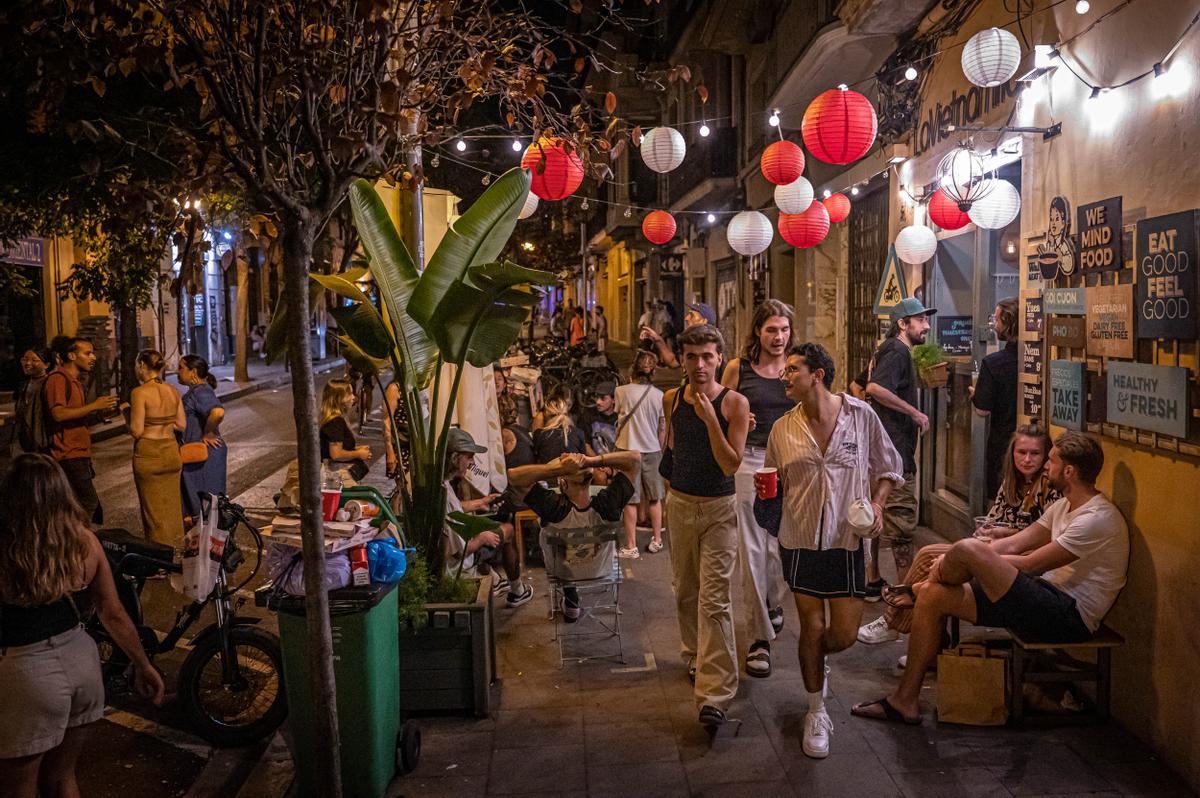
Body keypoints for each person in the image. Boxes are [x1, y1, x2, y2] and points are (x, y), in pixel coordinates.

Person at [853, 431, 1129, 725]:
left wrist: (970, 559)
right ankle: (904, 701)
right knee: (936, 594)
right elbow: (1014, 544)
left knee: (966, 550)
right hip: (1041, 594)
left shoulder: (1096, 519)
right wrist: (966, 559)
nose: (1046, 466)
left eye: (1050, 460)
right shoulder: (1065, 505)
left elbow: (1030, 564)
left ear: (1069, 471)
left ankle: (918, 587)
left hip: (1068, 615)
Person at [754, 343, 901, 757]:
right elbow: (773, 480)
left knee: (843, 634)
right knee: (812, 627)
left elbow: (889, 466)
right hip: (799, 540)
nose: (784, 376)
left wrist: (877, 504)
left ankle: (816, 661)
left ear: (818, 375)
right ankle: (815, 708)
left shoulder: (860, 416)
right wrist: (765, 494)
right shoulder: (783, 429)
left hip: (848, 541)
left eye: (793, 370)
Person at [0, 453, 165, 796]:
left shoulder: (9, 547)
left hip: (28, 672)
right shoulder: (85, 542)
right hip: (82, 664)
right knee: (62, 778)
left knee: (20, 786)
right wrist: (142, 664)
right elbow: (112, 611)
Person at [872, 425, 1062, 645]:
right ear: (1012, 453)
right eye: (1022, 452)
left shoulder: (1050, 485)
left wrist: (1002, 533)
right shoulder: (1011, 481)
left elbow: (1041, 533)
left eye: (1035, 453)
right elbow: (993, 519)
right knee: (927, 555)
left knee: (931, 562)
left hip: (1020, 558)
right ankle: (929, 642)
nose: (1027, 459)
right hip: (995, 549)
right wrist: (987, 530)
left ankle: (896, 624)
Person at [661, 323, 750, 728]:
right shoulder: (670, 399)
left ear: (719, 358)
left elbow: (731, 464)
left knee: (714, 600)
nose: (699, 365)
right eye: (692, 357)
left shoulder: (735, 404)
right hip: (680, 506)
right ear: (682, 359)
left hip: (719, 510)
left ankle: (715, 693)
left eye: (707, 356)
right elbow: (673, 450)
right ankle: (696, 656)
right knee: (685, 592)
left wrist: (709, 417)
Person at [720, 300, 796, 678]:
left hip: (789, 462)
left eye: (783, 330)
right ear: (758, 332)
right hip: (750, 461)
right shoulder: (739, 368)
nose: (778, 337)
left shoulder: (796, 368)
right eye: (771, 330)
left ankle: (772, 600)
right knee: (752, 545)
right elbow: (717, 406)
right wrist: (737, 417)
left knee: (780, 546)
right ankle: (758, 638)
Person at [508, 450, 638, 620]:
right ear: (590, 479)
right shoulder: (607, 504)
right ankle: (572, 601)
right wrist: (591, 461)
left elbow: (513, 476)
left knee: (560, 548)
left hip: (562, 571)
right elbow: (635, 459)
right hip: (600, 569)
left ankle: (571, 599)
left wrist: (560, 468)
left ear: (563, 483)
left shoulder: (553, 507)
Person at [863, 297, 935, 601]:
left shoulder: (892, 350)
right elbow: (875, 388)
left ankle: (872, 581)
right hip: (895, 452)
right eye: (920, 320)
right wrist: (914, 412)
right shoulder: (897, 350)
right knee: (902, 523)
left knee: (876, 517)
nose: (927, 326)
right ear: (903, 325)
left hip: (884, 449)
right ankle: (905, 591)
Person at [442, 428, 531, 607]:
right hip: (460, 563)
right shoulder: (442, 495)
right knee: (508, 530)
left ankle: (495, 579)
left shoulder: (442, 484)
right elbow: (458, 551)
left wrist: (480, 502)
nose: (472, 462)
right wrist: (482, 538)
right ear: (454, 458)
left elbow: (456, 510)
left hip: (464, 549)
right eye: (468, 457)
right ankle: (517, 591)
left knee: (488, 524)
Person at [43, 336, 117, 524]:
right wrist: (93, 406)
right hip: (67, 454)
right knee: (88, 504)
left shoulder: (75, 381)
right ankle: (80, 546)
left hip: (79, 452)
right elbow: (58, 414)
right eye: (87, 353)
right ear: (71, 355)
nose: (93, 357)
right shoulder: (58, 379)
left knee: (78, 505)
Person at [128, 351, 186, 546]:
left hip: (149, 454)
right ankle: (177, 553)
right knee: (172, 509)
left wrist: (125, 414)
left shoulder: (140, 393)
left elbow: (136, 430)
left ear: (143, 366)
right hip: (171, 452)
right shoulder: (172, 391)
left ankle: (159, 560)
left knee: (153, 514)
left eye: (137, 365)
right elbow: (181, 425)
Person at [614, 351, 665, 556]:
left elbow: (618, 417)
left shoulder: (621, 391)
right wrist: (658, 448)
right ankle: (657, 540)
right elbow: (662, 427)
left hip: (628, 450)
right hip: (652, 450)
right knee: (655, 498)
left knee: (630, 499)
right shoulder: (659, 395)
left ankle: (631, 545)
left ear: (632, 369)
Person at [973, 297, 1019, 500]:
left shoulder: (993, 363)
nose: (994, 325)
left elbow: (982, 410)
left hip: (1003, 444)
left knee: (1000, 498)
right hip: (1032, 441)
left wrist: (976, 394)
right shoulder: (1038, 358)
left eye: (997, 320)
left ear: (1008, 323)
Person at [178, 355, 228, 522]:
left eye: (181, 368)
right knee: (205, 510)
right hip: (200, 456)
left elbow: (218, 412)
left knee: (205, 510)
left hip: (204, 458)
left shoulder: (201, 391)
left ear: (193, 372)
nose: (177, 373)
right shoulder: (197, 391)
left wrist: (207, 432)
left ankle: (211, 545)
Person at [640, 302, 722, 376]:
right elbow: (673, 361)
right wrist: (658, 339)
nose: (686, 318)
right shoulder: (689, 342)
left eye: (692, 315)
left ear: (704, 321)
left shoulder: (713, 345)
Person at [319, 378, 371, 482]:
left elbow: (335, 448)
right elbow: (336, 454)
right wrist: (359, 454)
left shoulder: (334, 419)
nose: (353, 398)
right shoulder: (335, 422)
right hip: (337, 478)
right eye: (350, 394)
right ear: (339, 398)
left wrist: (356, 449)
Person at [11, 347, 52, 456]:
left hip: (42, 442)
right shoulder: (23, 385)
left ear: (46, 365)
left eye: (34, 360)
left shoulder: (50, 384)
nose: (27, 363)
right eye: (24, 359)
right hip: (22, 441)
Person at [531, 384, 586, 463]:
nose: (568, 405)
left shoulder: (575, 424)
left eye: (569, 404)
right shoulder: (541, 418)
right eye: (566, 403)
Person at [580, 381, 618, 459]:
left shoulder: (620, 417)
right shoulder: (589, 416)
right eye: (597, 397)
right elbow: (586, 445)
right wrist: (600, 463)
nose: (598, 402)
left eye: (603, 398)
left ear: (613, 400)